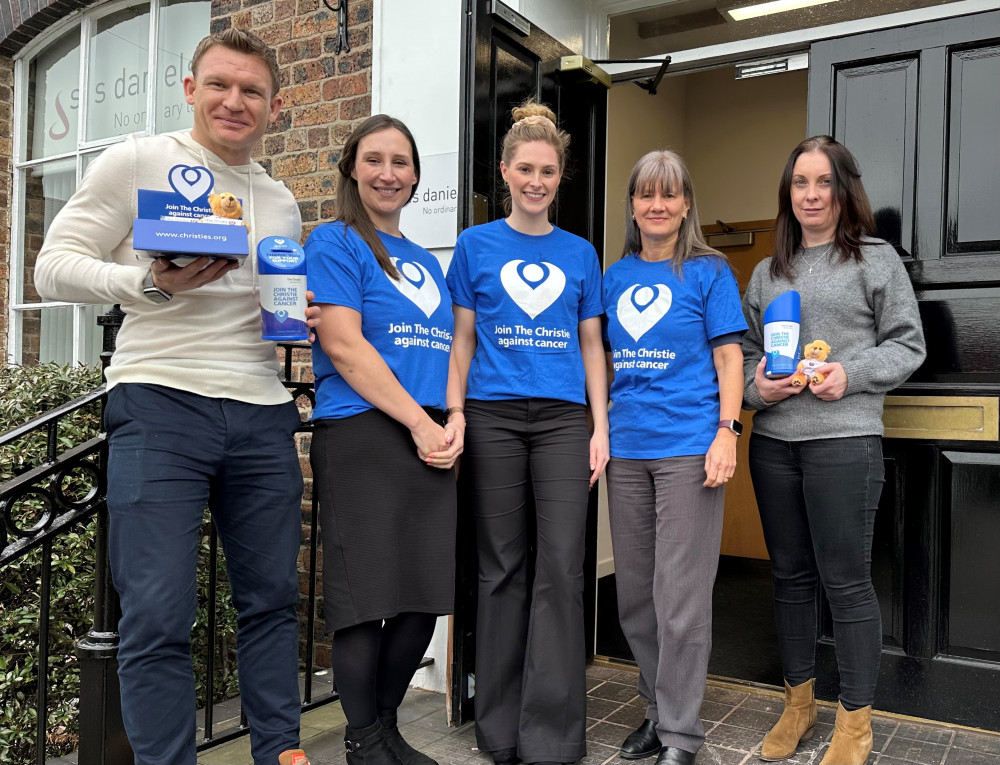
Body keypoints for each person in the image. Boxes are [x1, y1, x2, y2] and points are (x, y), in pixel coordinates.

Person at [34, 29, 317, 765]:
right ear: (189, 89)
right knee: (157, 614)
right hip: (159, 402)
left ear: (274, 106)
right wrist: (146, 284)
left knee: (272, 602)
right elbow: (53, 267)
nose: (235, 101)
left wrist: (300, 312)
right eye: (220, 84)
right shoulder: (137, 160)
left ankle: (280, 753)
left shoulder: (281, 200)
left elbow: (267, 302)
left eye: (252, 90)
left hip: (260, 408)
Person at [742, 136, 926, 765]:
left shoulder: (875, 259)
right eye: (800, 183)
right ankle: (799, 705)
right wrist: (755, 388)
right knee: (790, 580)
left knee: (847, 585)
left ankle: (855, 723)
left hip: (844, 442)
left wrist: (851, 373)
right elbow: (740, 357)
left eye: (823, 182)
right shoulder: (769, 271)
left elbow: (908, 344)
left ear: (844, 190)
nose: (811, 195)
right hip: (773, 446)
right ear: (787, 193)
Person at [447, 101, 609, 765]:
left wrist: (602, 425)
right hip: (492, 415)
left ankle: (554, 733)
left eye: (548, 170)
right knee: (500, 569)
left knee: (562, 569)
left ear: (560, 175)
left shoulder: (580, 253)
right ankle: (500, 728)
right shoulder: (474, 245)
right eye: (525, 169)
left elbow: (592, 344)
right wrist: (454, 410)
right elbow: (461, 339)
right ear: (506, 172)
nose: (536, 180)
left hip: (564, 419)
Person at [304, 114, 463, 765]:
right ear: (351, 168)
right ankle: (364, 739)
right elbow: (344, 345)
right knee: (366, 598)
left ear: (417, 176)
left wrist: (455, 417)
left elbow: (452, 348)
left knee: (423, 597)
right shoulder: (335, 242)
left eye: (401, 162)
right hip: (365, 432)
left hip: (429, 437)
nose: (388, 172)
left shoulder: (428, 261)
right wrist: (420, 421)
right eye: (374, 160)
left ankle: (387, 724)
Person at [602, 150, 746, 765]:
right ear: (633, 206)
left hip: (690, 447)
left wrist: (727, 431)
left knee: (681, 600)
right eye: (645, 195)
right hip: (627, 450)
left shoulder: (709, 272)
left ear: (686, 203)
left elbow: (730, 359)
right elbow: (601, 361)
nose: (656, 206)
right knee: (636, 597)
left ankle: (682, 736)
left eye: (669, 195)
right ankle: (657, 715)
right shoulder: (613, 277)